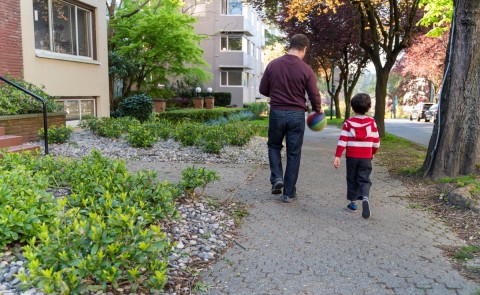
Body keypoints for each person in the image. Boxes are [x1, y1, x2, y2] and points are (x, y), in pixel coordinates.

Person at [259, 34, 323, 203]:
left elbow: (263, 89)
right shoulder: (306, 69)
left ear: (290, 45)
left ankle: (277, 178)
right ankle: (288, 193)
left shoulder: (273, 64)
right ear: (305, 49)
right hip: (297, 115)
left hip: (277, 112)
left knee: (274, 145)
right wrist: (317, 111)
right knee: (294, 153)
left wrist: (277, 94)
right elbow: (314, 94)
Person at [333, 93, 380, 218]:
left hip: (352, 157)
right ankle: (365, 197)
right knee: (364, 179)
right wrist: (372, 153)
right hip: (366, 157)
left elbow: (342, 141)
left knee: (352, 178)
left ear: (353, 108)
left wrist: (337, 156)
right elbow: (376, 142)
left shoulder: (348, 123)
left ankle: (353, 204)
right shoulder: (372, 123)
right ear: (368, 107)